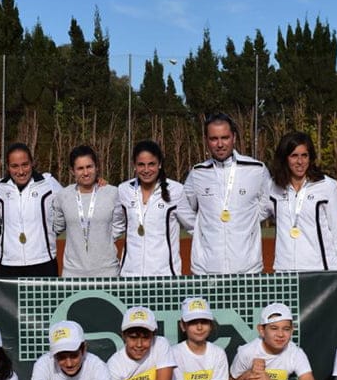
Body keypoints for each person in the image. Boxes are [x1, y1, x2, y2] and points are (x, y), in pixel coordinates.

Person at [184, 113, 271, 274]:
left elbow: (268, 203)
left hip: (248, 269)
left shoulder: (256, 169)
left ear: (234, 138)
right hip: (205, 270)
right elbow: (185, 208)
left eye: (225, 137)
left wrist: (247, 222)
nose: (220, 144)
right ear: (206, 140)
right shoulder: (197, 173)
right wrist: (201, 230)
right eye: (213, 138)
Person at [267, 131, 337, 272]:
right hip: (285, 274)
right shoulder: (272, 187)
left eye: (304, 155)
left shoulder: (327, 186)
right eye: (294, 156)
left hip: (319, 273)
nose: (300, 162)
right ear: (284, 158)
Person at [116, 140, 194, 276]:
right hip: (129, 277)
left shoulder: (176, 191)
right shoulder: (123, 190)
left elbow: (193, 226)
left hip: (164, 278)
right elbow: (115, 227)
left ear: (160, 164)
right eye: (141, 165)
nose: (146, 170)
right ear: (134, 165)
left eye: (151, 164)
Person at [0, 143, 63, 277]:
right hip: (8, 264)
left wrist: (96, 183)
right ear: (8, 167)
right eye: (14, 166)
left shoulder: (48, 183)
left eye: (25, 164)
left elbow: (72, 199)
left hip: (43, 262)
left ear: (32, 163)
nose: (21, 171)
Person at [52, 145, 121, 277]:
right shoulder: (63, 196)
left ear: (97, 167)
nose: (85, 172)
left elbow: (119, 223)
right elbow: (57, 226)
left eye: (89, 167)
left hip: (107, 272)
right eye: (80, 168)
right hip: (73, 274)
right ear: (72, 171)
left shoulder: (112, 193)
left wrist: (105, 240)